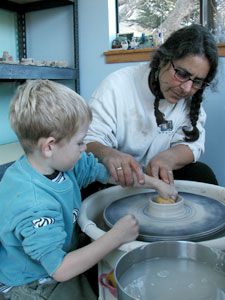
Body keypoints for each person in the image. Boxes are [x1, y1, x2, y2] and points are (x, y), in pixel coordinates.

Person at [0, 80, 177, 300]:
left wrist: (156, 184)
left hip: (56, 257)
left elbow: (113, 175)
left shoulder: (63, 164)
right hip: (32, 283)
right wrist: (116, 236)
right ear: (49, 147)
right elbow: (61, 269)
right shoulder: (34, 204)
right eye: (80, 142)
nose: (85, 148)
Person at [85, 24, 219, 189]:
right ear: (163, 60)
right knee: (85, 182)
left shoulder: (190, 100)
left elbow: (193, 145)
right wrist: (108, 154)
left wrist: (168, 158)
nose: (186, 88)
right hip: (118, 180)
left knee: (202, 173)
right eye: (182, 74)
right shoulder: (116, 86)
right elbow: (89, 141)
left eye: (197, 81)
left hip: (161, 177)